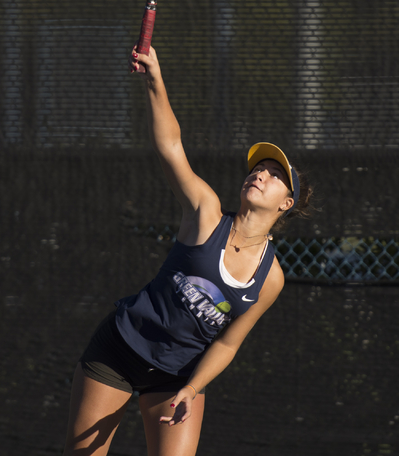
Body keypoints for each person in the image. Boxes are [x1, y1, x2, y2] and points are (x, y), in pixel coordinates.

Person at [62, 46, 312, 456]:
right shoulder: (206, 212)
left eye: (274, 175)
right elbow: (171, 146)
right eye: (257, 168)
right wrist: (154, 79)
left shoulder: (271, 278)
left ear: (287, 204)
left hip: (178, 378)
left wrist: (191, 389)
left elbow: (228, 344)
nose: (260, 174)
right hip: (120, 350)